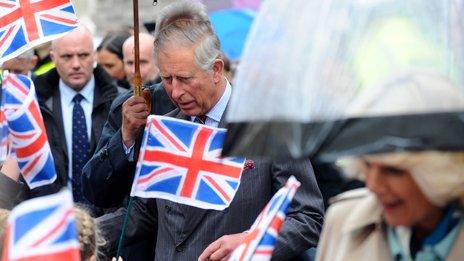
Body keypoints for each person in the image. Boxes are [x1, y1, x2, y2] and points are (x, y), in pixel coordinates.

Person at [85, 1, 324, 260]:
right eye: (167, 79)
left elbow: (307, 217)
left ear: (216, 70)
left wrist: (250, 241)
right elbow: (145, 213)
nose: (175, 92)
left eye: (185, 79)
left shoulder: (268, 125)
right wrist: (86, 235)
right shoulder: (165, 127)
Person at [316, 71, 464, 260]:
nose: (373, 185)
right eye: (367, 164)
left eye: (394, 170)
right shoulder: (341, 220)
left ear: (442, 169)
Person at [32, 25, 120, 205]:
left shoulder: (120, 103)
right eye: (67, 57)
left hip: (107, 219)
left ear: (95, 55)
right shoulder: (34, 106)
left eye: (83, 55)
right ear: (52, 58)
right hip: (53, 216)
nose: (76, 64)